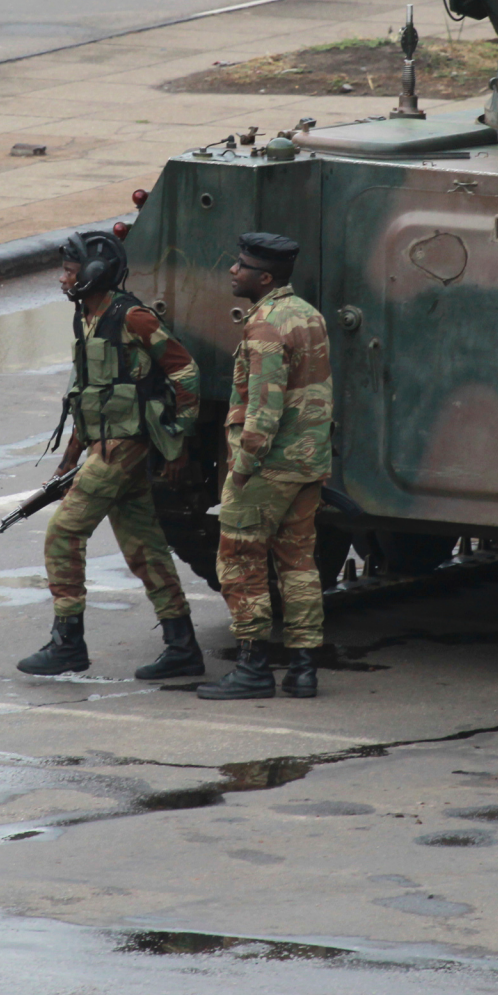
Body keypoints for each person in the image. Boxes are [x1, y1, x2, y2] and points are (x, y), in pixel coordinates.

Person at [17, 231, 203, 679]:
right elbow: (87, 394)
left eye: (70, 273)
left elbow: (186, 372)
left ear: (94, 275)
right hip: (105, 445)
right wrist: (69, 459)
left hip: (127, 447)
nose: (63, 280)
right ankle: (183, 648)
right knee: (145, 548)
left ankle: (68, 643)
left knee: (64, 533)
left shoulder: (131, 317)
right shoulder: (87, 316)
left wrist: (175, 442)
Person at [199, 232, 333, 701]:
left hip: (268, 467)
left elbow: (265, 405)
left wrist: (243, 466)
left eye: (242, 266)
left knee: (240, 559)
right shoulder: (308, 315)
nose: (233, 271)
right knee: (298, 563)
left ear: (265, 277)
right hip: (307, 464)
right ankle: (303, 669)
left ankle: (253, 667)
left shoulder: (266, 326)